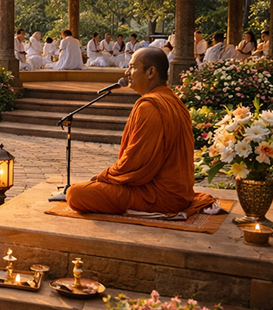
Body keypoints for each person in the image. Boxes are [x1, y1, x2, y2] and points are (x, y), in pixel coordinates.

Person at [67, 48, 217, 215]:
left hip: (161, 197)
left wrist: (104, 176)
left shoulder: (150, 107)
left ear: (150, 72)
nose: (127, 72)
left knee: (75, 194)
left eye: (132, 67)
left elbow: (135, 164)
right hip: (179, 192)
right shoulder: (174, 101)